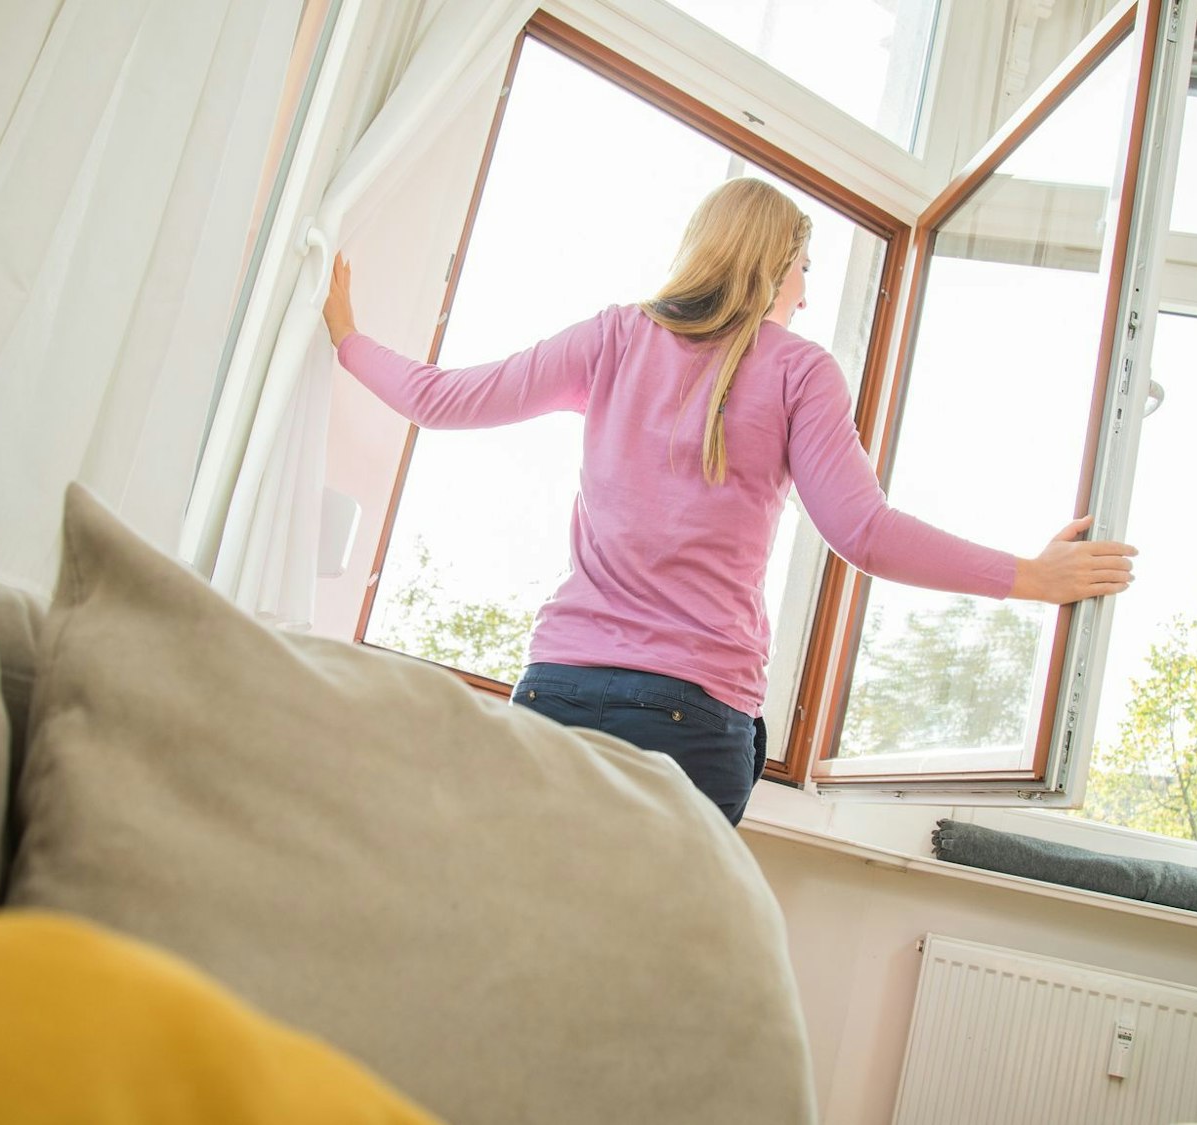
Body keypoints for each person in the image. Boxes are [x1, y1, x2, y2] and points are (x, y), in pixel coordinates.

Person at [321, 178, 1136, 826]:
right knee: (639, 972)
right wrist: (1032, 576)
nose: (805, 296)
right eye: (805, 268)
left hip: (556, 693)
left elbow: (442, 400)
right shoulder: (799, 371)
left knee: (515, 944)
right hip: (688, 716)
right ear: (774, 265)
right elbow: (863, 532)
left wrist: (347, 337)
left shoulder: (615, 337)